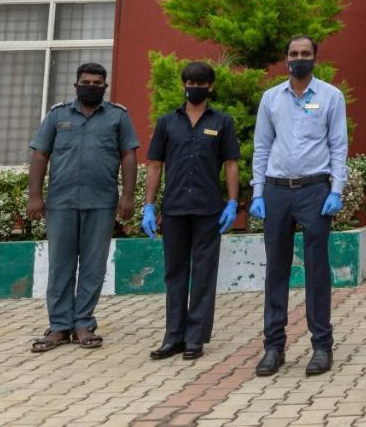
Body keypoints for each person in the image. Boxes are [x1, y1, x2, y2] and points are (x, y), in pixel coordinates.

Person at [249, 35, 349, 376]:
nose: (299, 58)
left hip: (315, 191)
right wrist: (258, 193)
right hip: (277, 192)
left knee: (317, 270)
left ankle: (321, 345)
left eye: (306, 53)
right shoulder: (270, 98)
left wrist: (336, 189)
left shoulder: (331, 97)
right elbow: (262, 146)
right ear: (286, 58)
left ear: (315, 58)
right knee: (275, 270)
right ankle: (273, 347)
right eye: (294, 54)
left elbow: (339, 146)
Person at [26, 62, 138, 353]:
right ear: (76, 85)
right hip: (61, 203)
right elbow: (40, 155)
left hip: (101, 203)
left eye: (97, 82)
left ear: (105, 87)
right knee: (61, 265)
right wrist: (34, 196)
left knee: (93, 265)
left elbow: (128, 156)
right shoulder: (57, 115)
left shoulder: (118, 116)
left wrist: (127, 196)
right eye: (86, 81)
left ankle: (83, 324)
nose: (91, 86)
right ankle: (60, 326)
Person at [141, 61, 241, 360]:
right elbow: (155, 164)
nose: (193, 88)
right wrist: (149, 205)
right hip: (173, 210)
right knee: (175, 274)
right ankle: (173, 337)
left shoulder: (222, 122)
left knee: (203, 274)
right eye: (189, 82)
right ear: (183, 84)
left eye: (200, 84)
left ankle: (195, 338)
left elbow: (231, 163)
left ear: (210, 87)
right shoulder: (167, 122)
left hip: (208, 209)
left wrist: (233, 203)